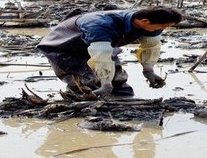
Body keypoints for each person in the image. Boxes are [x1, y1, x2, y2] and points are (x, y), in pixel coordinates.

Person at [37, 6, 182, 96]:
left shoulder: (148, 25)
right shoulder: (100, 24)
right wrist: (105, 83)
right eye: (163, 26)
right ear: (145, 21)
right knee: (88, 83)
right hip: (65, 48)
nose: (164, 30)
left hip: (103, 45)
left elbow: (151, 46)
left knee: (119, 84)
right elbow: (100, 55)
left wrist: (148, 70)